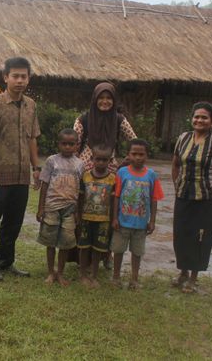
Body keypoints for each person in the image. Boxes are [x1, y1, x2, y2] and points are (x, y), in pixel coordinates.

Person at [0, 57, 41, 282]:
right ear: (5, 77)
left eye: (24, 76)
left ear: (28, 79)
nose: (19, 80)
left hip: (21, 175)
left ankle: (5, 261)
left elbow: (33, 138)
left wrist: (36, 168)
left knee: (13, 223)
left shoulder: (31, 106)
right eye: (15, 76)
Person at [171, 102, 212, 293]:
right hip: (183, 196)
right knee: (181, 235)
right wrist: (177, 185)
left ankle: (193, 278)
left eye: (204, 117)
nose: (199, 120)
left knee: (200, 237)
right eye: (196, 117)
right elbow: (175, 164)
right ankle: (182, 272)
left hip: (207, 199)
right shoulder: (183, 138)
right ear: (192, 119)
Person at [73, 81, 137, 268]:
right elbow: (75, 145)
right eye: (101, 98)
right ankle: (81, 255)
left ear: (114, 100)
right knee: (84, 212)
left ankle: (105, 255)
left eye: (109, 98)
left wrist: (124, 162)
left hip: (110, 170)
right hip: (86, 169)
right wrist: (75, 167)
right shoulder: (83, 119)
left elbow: (134, 140)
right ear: (95, 99)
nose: (105, 101)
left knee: (108, 213)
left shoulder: (119, 119)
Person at [111, 138, 164, 290]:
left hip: (141, 224)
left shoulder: (152, 175)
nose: (138, 157)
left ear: (147, 155)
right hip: (122, 222)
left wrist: (152, 221)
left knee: (137, 252)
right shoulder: (122, 172)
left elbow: (154, 200)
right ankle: (116, 277)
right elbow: (116, 196)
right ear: (128, 155)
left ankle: (134, 279)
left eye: (141, 154)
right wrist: (114, 217)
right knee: (118, 250)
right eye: (134, 154)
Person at [36, 129, 85, 286]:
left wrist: (78, 211)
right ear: (58, 144)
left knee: (65, 242)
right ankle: (51, 272)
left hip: (70, 209)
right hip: (51, 207)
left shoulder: (80, 164)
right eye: (64, 143)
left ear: (77, 146)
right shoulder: (52, 161)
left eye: (71, 144)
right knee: (50, 241)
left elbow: (81, 191)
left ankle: (61, 273)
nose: (67, 147)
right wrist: (40, 208)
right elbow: (44, 185)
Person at [76, 145, 116, 288]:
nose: (101, 163)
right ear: (92, 159)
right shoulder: (85, 176)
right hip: (86, 218)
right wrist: (78, 215)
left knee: (98, 249)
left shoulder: (112, 179)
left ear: (109, 161)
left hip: (103, 221)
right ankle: (82, 274)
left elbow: (113, 201)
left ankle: (94, 275)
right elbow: (80, 198)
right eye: (98, 159)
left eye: (104, 160)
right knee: (84, 247)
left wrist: (113, 219)